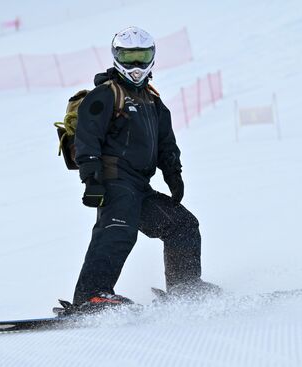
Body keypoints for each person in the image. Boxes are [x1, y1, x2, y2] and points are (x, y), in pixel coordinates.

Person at [70, 26, 220, 313]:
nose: (136, 66)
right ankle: (91, 295)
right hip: (114, 181)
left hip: (141, 187)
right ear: (117, 57)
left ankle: (185, 287)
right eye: (129, 58)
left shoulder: (153, 101)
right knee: (117, 230)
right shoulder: (104, 95)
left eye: (142, 57)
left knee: (182, 225)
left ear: (152, 57)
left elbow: (166, 143)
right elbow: (87, 138)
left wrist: (173, 173)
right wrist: (91, 179)